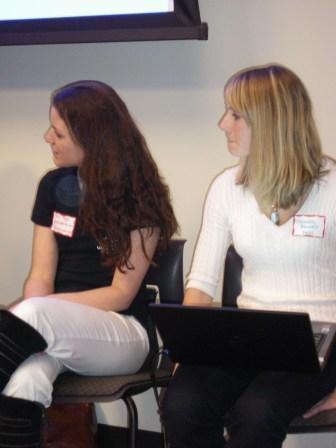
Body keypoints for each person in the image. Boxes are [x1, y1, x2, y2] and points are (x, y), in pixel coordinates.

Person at [162, 63, 336, 448]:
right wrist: (189, 354)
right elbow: (202, 284)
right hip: (250, 334)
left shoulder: (332, 187)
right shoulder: (227, 187)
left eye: (236, 114)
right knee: (182, 403)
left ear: (273, 120)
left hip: (321, 342)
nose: (223, 123)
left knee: (257, 413)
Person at [0, 80, 178, 447]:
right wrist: (35, 309)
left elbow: (120, 294)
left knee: (34, 312)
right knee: (24, 381)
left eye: (59, 132)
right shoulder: (52, 186)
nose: (47, 136)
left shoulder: (140, 195)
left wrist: (37, 310)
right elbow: (40, 277)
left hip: (122, 332)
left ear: (91, 138)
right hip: (54, 327)